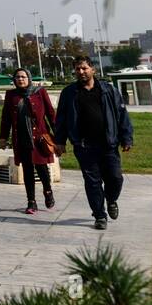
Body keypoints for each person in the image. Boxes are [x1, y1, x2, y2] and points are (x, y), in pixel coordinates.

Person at [54, 56, 134, 230]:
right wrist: (59, 141)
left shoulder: (108, 90)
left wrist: (126, 137)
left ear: (93, 70)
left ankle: (111, 199)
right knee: (93, 182)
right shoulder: (69, 92)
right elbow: (61, 119)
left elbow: (122, 115)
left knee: (115, 178)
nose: (81, 72)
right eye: (77, 69)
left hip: (109, 144)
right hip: (84, 146)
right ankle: (99, 215)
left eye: (84, 68)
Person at [0, 67, 57, 214]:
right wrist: (3, 137)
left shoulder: (40, 92)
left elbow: (50, 113)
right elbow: (6, 118)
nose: (20, 79)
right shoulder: (11, 95)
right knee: (28, 170)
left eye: (23, 77)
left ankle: (48, 191)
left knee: (42, 168)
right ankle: (31, 202)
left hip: (39, 139)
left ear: (29, 78)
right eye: (17, 77)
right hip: (22, 138)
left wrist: (59, 136)